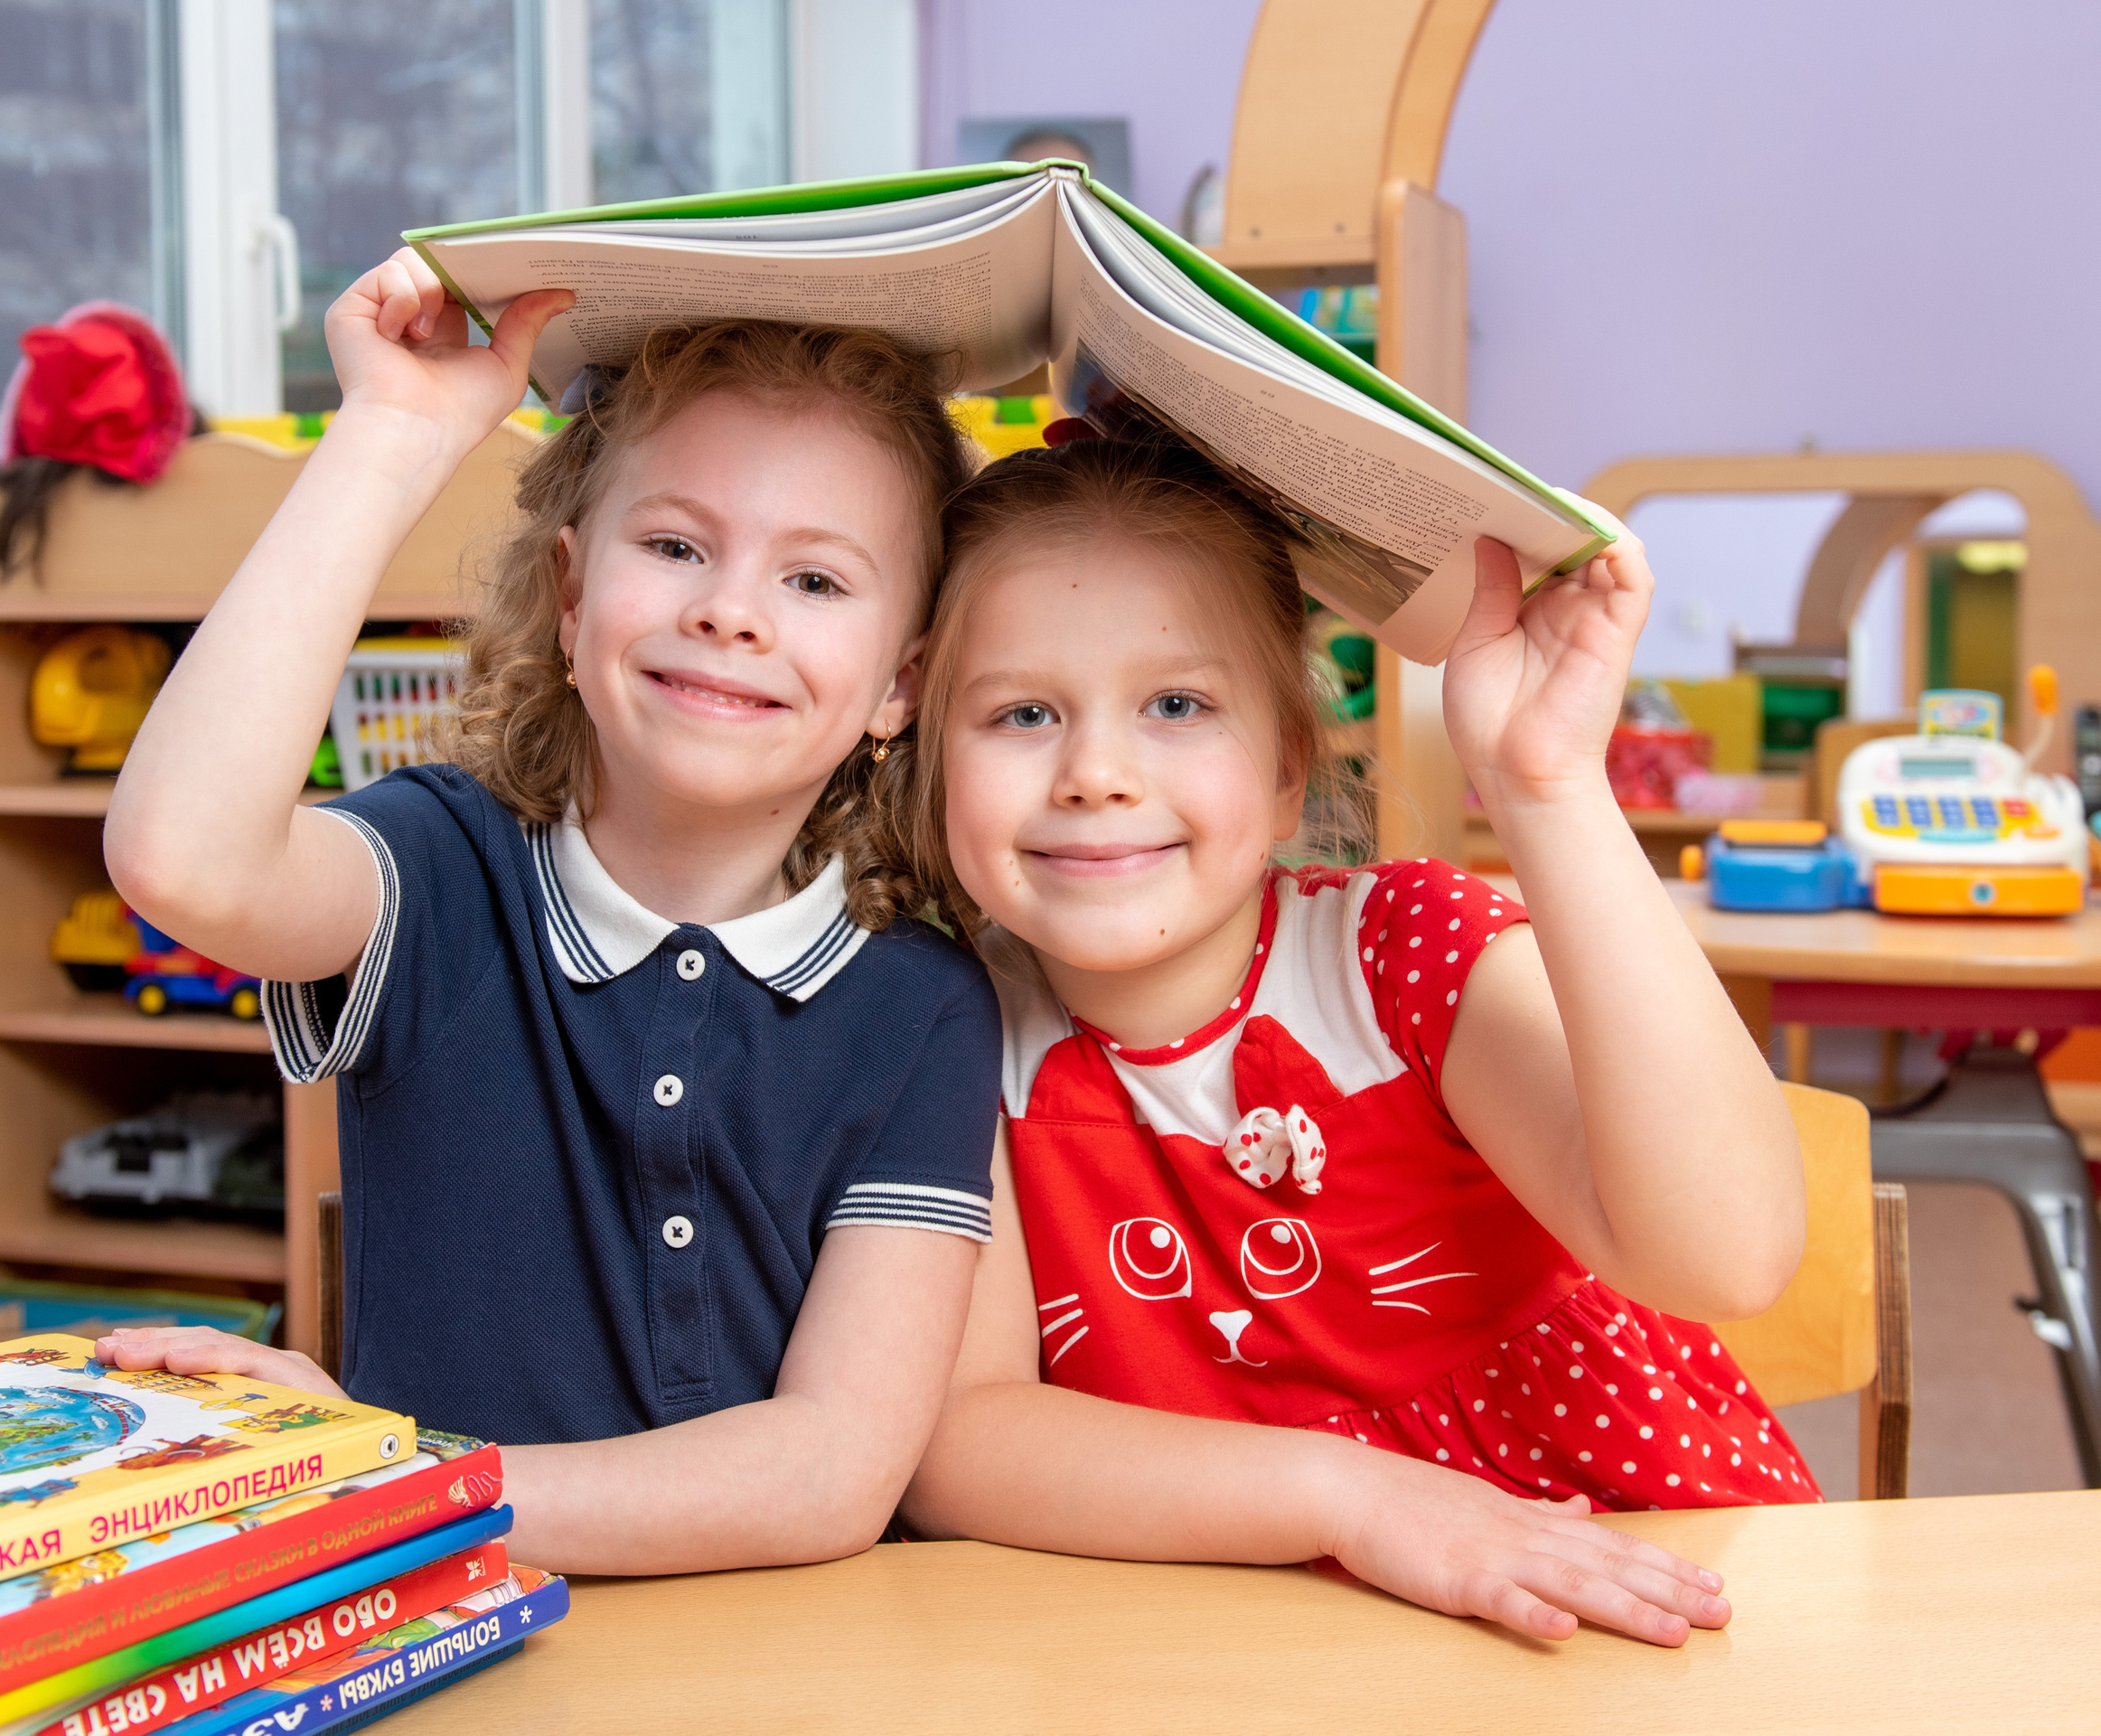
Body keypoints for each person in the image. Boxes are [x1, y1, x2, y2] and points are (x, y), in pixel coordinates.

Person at [98, 252, 1002, 1577]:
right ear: (573, 599)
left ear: (901, 684)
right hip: (440, 1637)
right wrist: (391, 437)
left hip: (786, 1675)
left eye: (815, 581)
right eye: (677, 544)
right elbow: (183, 856)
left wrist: (396, 1482)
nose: (729, 610)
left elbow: (826, 1470)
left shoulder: (921, 1000)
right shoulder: (440, 867)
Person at [896, 430, 1817, 1647]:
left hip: (1608, 1589)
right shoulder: (945, 1029)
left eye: (1177, 703)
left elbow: (1729, 1258)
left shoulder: (1407, 952)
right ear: (924, 749)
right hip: (1248, 1635)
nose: (1097, 772)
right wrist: (1350, 1492)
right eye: (1022, 711)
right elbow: (960, 1439)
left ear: (1287, 767)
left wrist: (1548, 787)